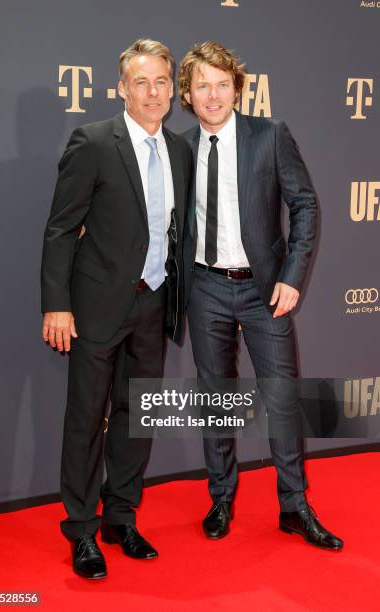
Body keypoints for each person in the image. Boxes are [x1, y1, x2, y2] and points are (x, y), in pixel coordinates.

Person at [178, 41, 343, 550]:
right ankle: (222, 498)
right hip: (205, 286)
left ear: (237, 88)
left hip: (264, 289)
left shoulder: (270, 136)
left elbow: (306, 205)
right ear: (188, 93)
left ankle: (294, 505)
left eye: (222, 84)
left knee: (282, 398)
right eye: (202, 85)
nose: (213, 95)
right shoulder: (179, 147)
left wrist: (292, 277)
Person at [41, 38, 191, 579]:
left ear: (172, 90)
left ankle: (120, 517)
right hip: (95, 305)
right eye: (141, 82)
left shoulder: (179, 149)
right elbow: (60, 229)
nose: (152, 93)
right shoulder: (94, 141)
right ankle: (82, 530)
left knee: (138, 414)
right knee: (86, 418)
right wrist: (57, 305)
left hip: (153, 303)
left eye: (161, 83)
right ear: (122, 87)